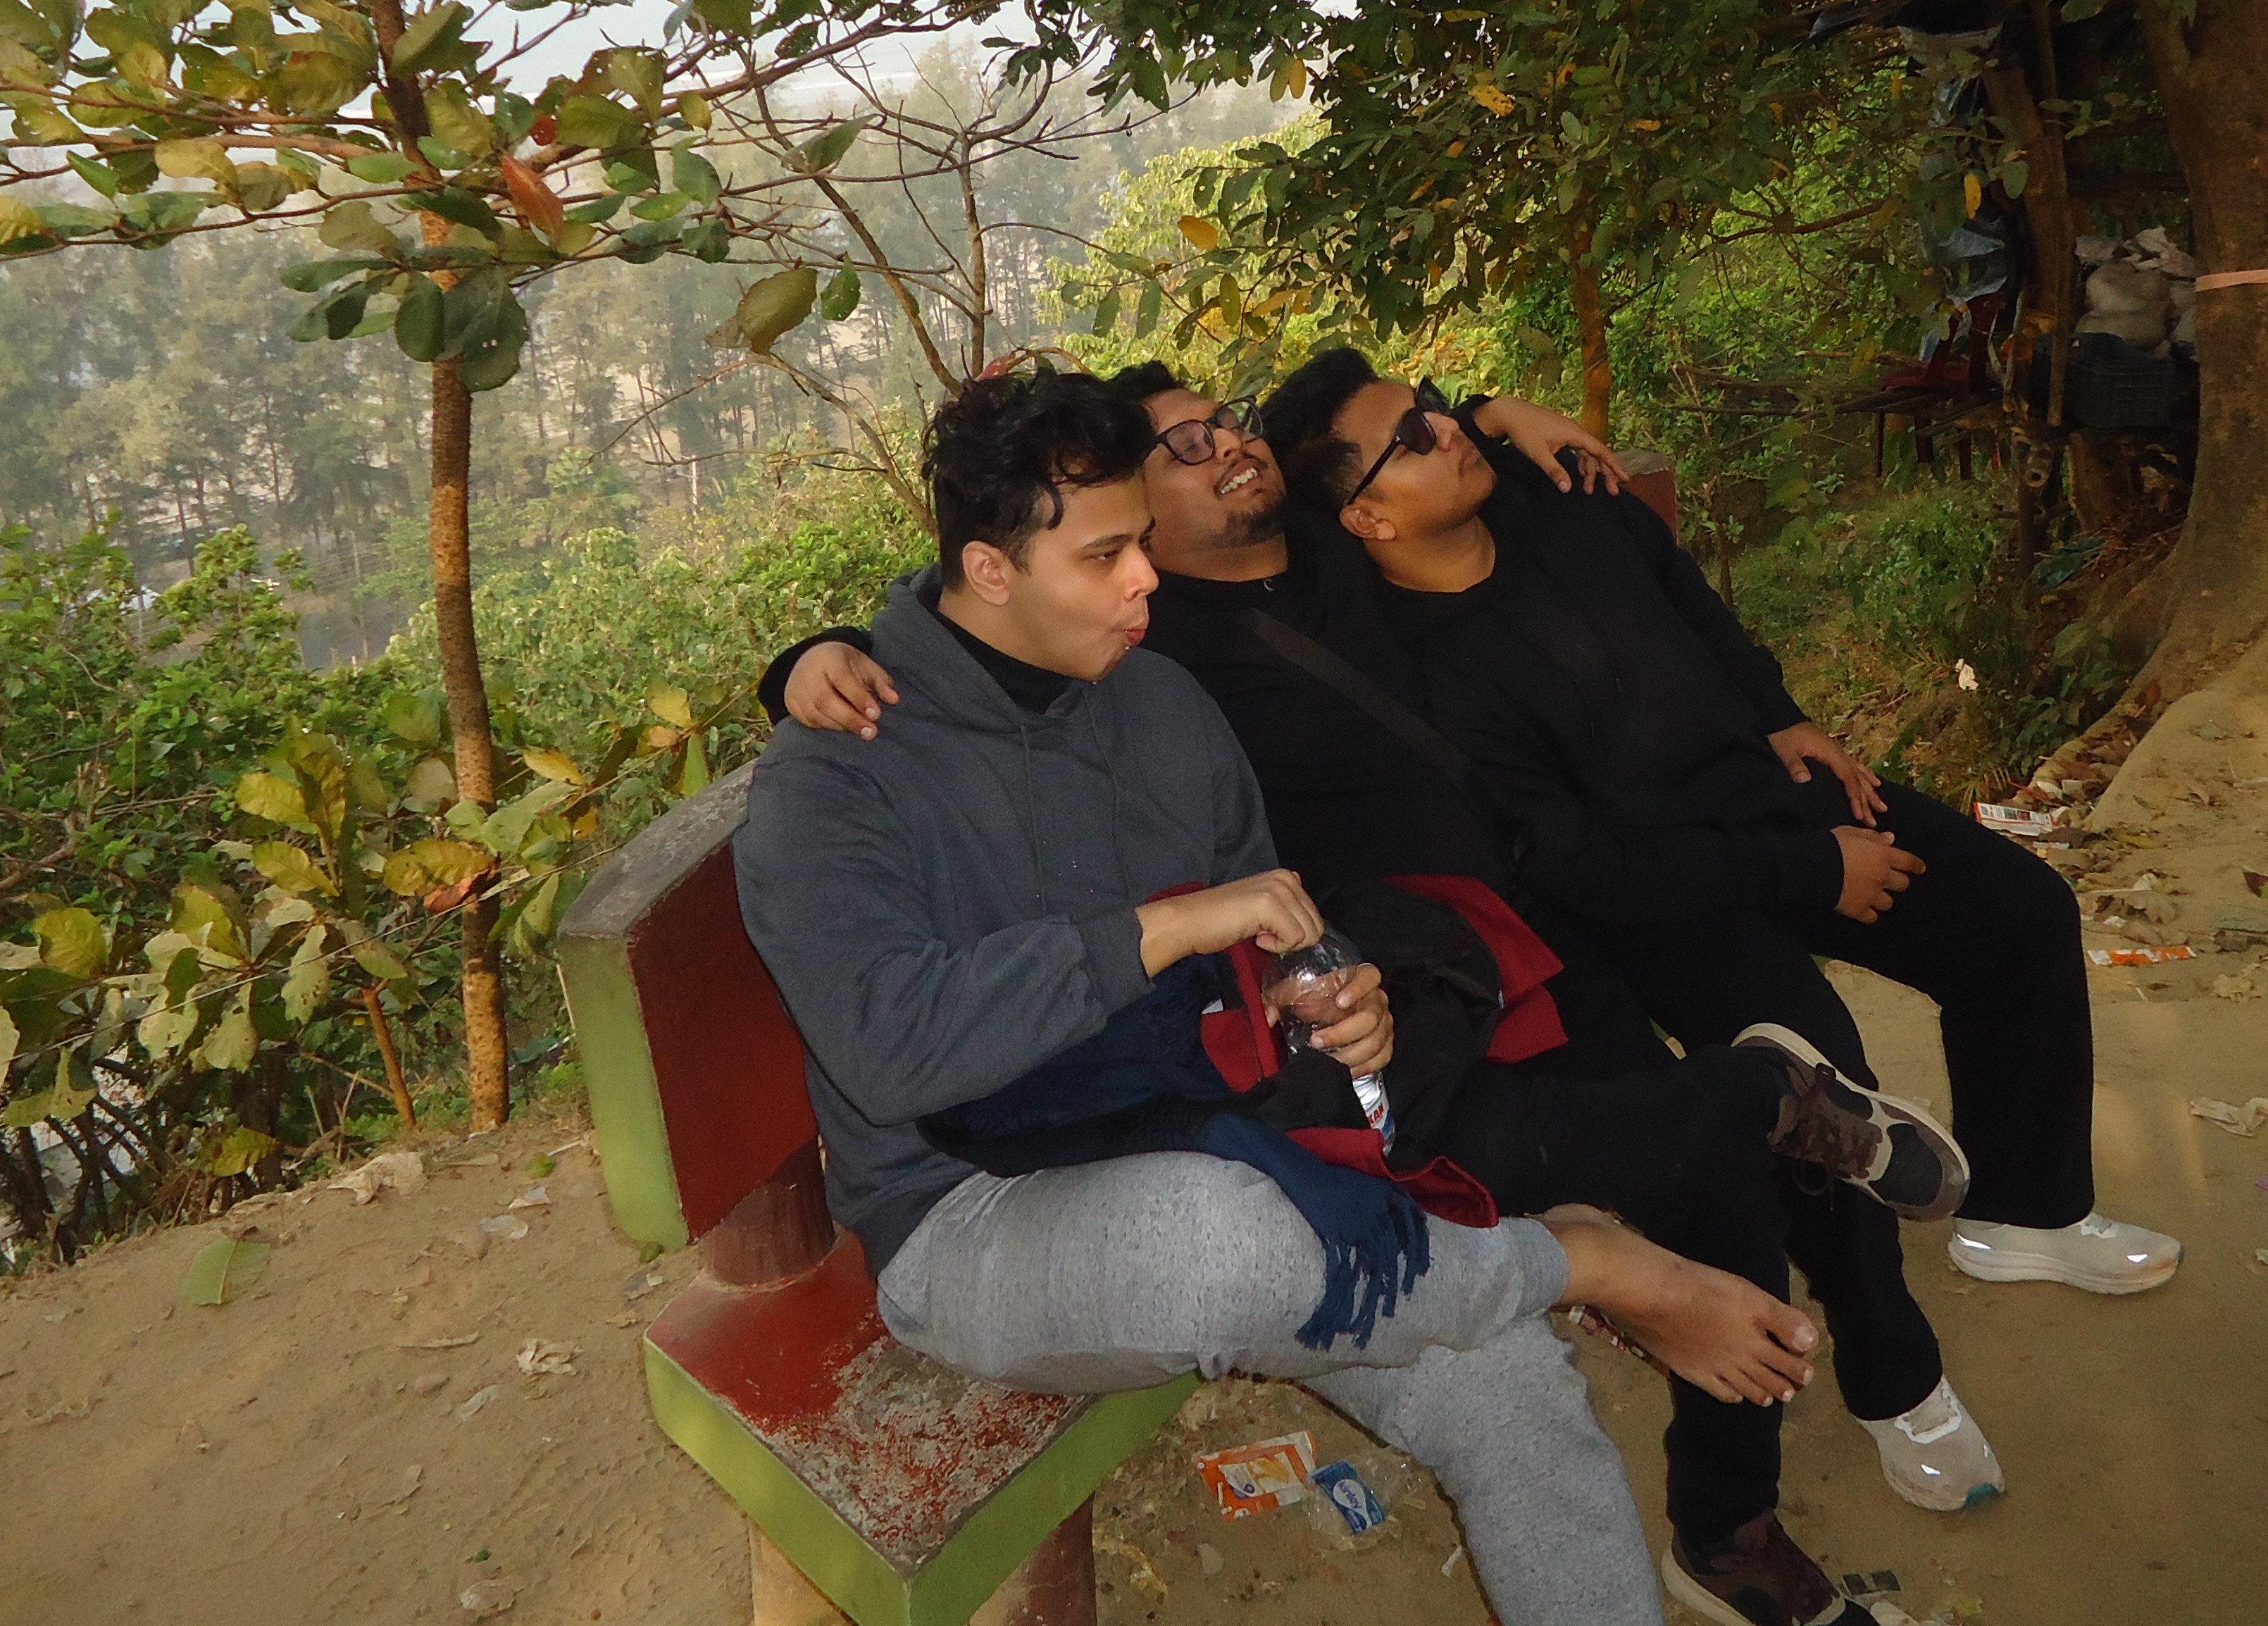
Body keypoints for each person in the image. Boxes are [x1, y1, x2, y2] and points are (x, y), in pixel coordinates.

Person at [769, 371, 1967, 1626]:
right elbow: (890, 1049)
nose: (1145, 580)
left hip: (1206, 1119)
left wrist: (1331, 997)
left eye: (1141, 542)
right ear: (988, 568)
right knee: (1228, 1237)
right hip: (971, 1207)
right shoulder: (840, 768)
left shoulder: (1161, 702)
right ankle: (1590, 1263)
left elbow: (1264, 935)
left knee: (1514, 1392)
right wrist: (1161, 932)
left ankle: (1650, 1433)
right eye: (1106, 556)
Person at [1260, 349, 2186, 1493]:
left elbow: (1686, 596)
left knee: (2019, 912)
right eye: (1411, 439)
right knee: (1819, 1084)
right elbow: (1585, 865)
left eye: (1437, 409)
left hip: (1763, 792)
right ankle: (1893, 1372)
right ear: (1368, 518)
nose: (1446, 431)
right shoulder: (1428, 680)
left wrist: (1781, 716)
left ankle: (2027, 1211)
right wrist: (1811, 870)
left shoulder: (1554, 494)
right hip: (1659, 898)